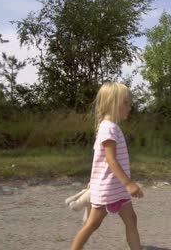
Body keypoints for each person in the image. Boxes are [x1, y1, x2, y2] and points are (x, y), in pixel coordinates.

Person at [71, 82, 144, 250]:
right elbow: (111, 160)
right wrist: (129, 184)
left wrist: (93, 180)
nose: (129, 107)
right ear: (113, 103)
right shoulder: (109, 128)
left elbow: (99, 160)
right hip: (109, 189)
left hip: (117, 188)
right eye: (126, 103)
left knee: (131, 219)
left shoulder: (109, 127)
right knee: (92, 224)